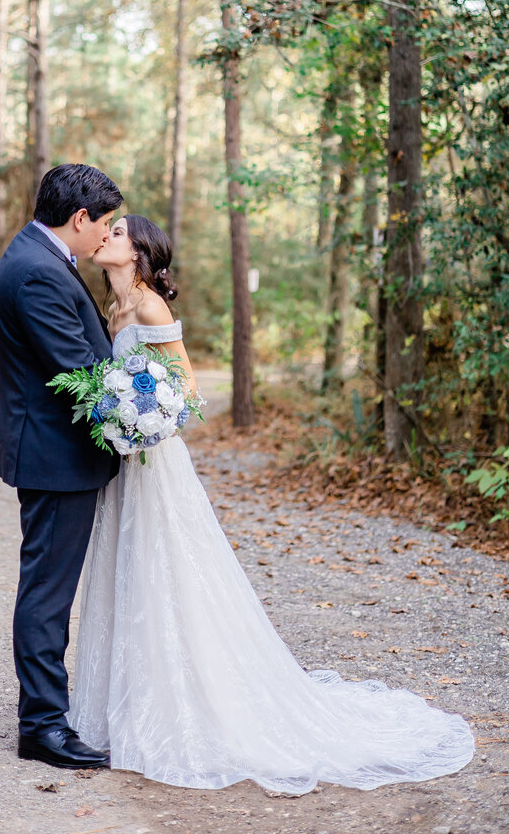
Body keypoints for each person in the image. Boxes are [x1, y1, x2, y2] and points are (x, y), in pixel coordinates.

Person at [69, 214, 475, 793]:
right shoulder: (112, 308)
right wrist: (117, 419)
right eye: (104, 232)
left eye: (116, 234)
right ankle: (130, 704)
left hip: (155, 463)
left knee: (169, 576)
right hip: (124, 465)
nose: (105, 237)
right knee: (126, 575)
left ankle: (188, 704)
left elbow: (186, 390)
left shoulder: (152, 308)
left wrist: (147, 423)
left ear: (136, 253)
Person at [0, 163, 122, 770]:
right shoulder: (37, 274)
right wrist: (138, 412)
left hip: (57, 456)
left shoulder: (40, 258)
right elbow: (78, 374)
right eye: (107, 225)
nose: (108, 237)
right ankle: (42, 726)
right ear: (79, 219)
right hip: (54, 459)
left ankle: (46, 715)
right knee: (47, 593)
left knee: (48, 587)